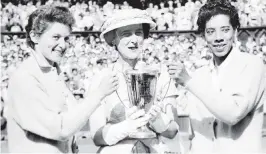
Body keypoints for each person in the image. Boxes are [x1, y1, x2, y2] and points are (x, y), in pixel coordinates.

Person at [7, 5, 119, 153]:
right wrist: (98, 94)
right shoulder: (25, 77)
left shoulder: (53, 72)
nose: (63, 45)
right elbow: (60, 129)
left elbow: (71, 124)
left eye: (66, 38)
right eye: (56, 37)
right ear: (34, 36)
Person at [167, 0, 266, 153]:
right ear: (203, 35)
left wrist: (188, 82)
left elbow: (233, 113)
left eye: (225, 30)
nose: (218, 37)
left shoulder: (253, 65)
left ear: (235, 31)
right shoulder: (199, 75)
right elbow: (195, 134)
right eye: (210, 31)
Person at [89, 9, 179, 154]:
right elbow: (96, 136)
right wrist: (127, 127)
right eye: (126, 34)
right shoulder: (101, 79)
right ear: (113, 39)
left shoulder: (161, 74)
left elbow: (173, 131)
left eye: (138, 32)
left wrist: (156, 119)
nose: (134, 40)